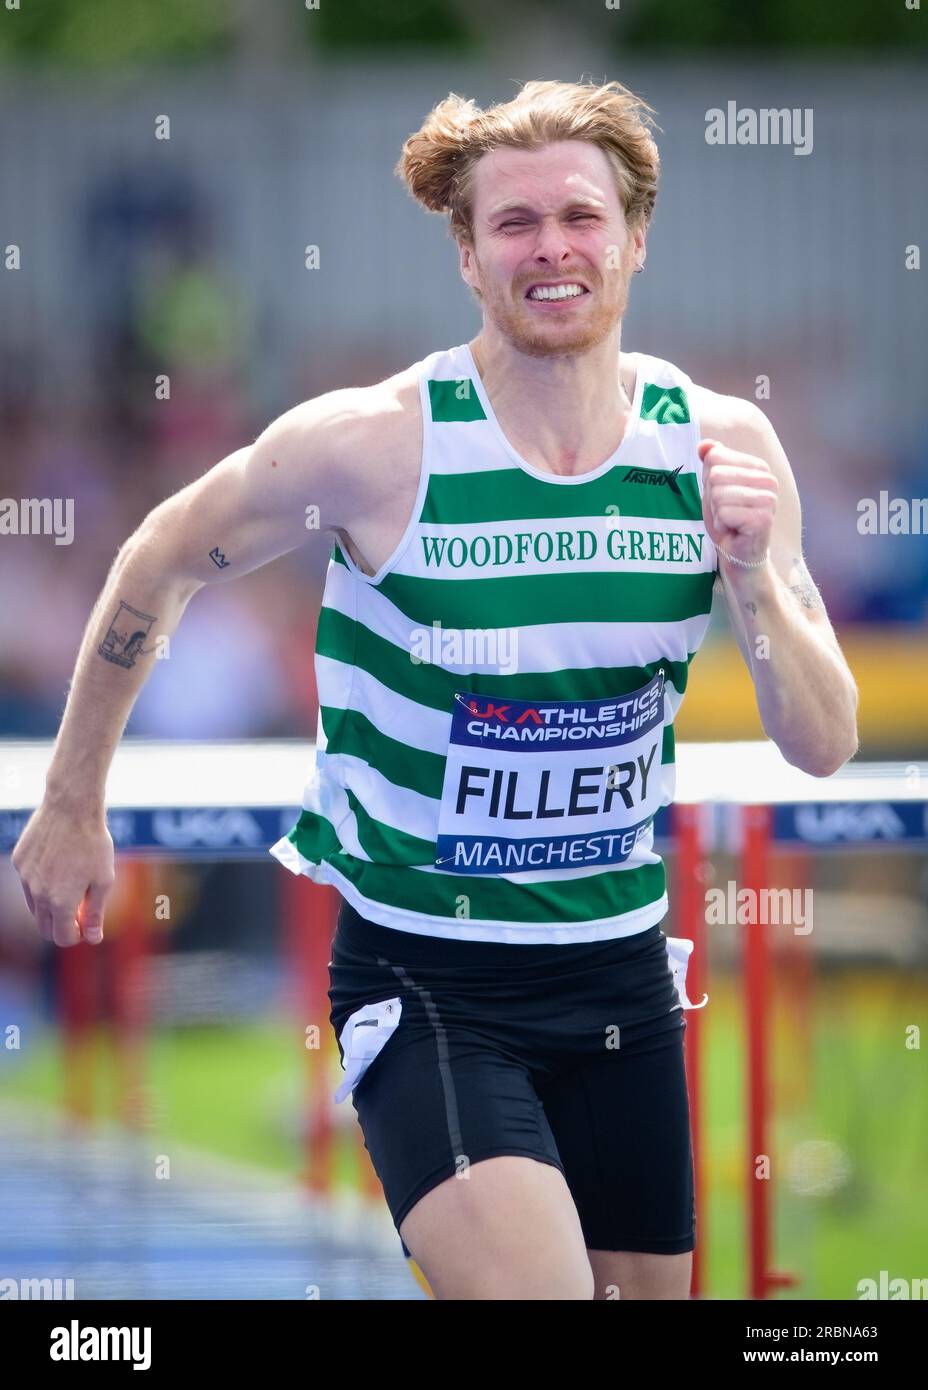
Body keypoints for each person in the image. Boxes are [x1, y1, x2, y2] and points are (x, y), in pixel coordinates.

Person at [11, 78, 859, 1301]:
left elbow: (822, 741)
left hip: (620, 974)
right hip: (432, 978)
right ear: (466, 254)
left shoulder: (717, 447)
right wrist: (75, 795)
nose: (552, 248)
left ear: (634, 239)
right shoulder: (378, 443)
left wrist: (753, 582)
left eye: (581, 216)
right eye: (514, 224)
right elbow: (158, 558)